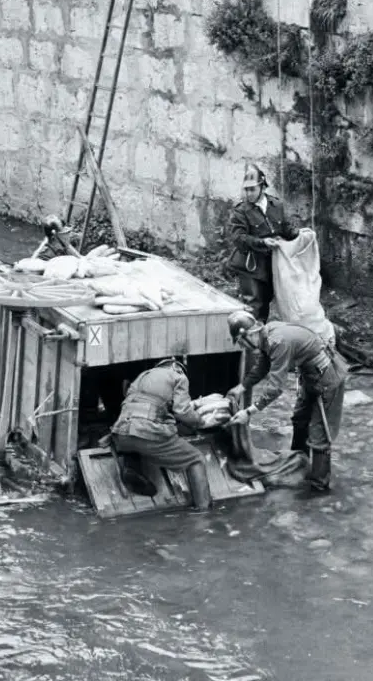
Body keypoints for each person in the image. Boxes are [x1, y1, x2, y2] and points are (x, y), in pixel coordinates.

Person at [225, 310, 348, 492]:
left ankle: (319, 488)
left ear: (251, 334)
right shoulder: (267, 335)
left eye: (242, 342)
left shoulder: (278, 341)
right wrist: (241, 387)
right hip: (309, 377)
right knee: (299, 420)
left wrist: (248, 412)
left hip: (328, 379)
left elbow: (275, 388)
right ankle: (298, 467)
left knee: (319, 436)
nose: (244, 347)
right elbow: (263, 367)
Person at [110, 357, 211, 511]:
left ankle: (132, 465)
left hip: (120, 432)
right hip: (147, 432)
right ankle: (204, 511)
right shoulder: (178, 376)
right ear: (176, 367)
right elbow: (182, 411)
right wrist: (200, 421)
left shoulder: (143, 376)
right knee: (195, 459)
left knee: (137, 440)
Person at [228, 163, 297, 323]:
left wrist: (298, 234)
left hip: (271, 264)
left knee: (265, 302)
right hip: (250, 265)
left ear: (263, 188)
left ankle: (258, 338)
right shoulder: (240, 211)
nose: (249, 193)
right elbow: (238, 238)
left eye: (252, 189)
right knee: (254, 306)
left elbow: (285, 227)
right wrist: (263, 242)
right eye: (246, 189)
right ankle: (251, 343)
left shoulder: (276, 205)